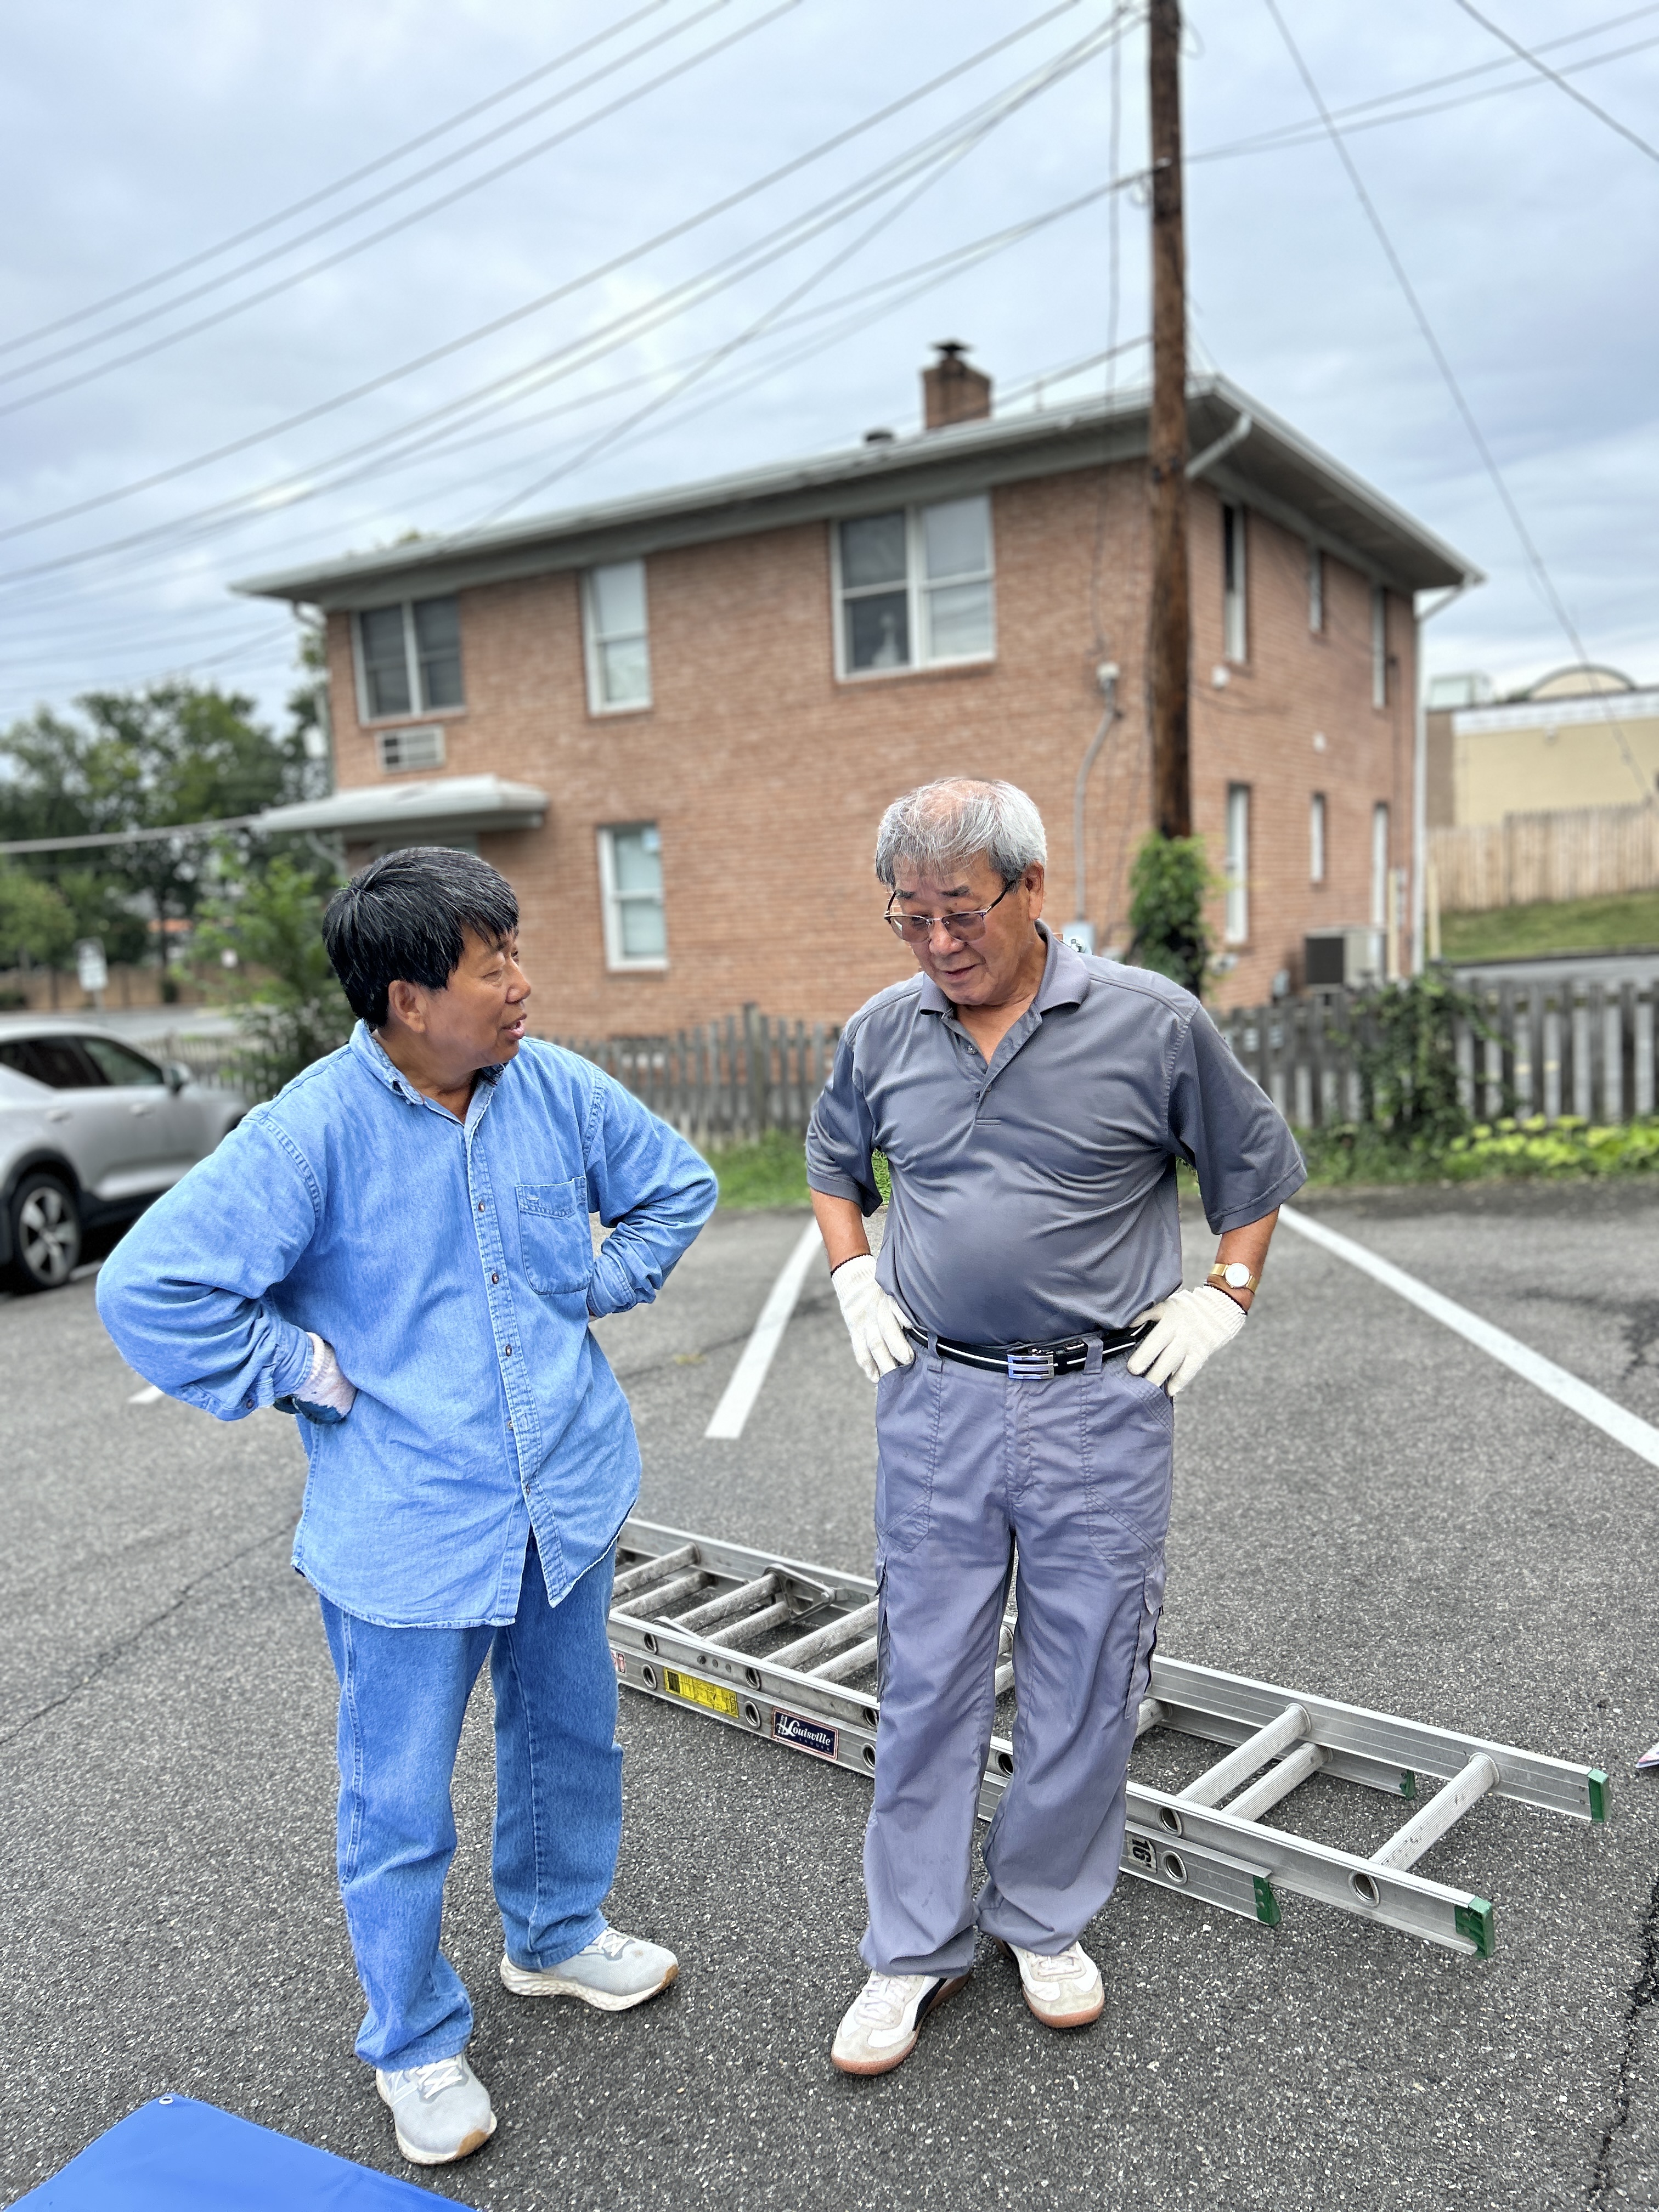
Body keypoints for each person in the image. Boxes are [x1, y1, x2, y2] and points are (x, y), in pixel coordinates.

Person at [97, 847, 717, 2167]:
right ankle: (415, 2041)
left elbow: (678, 1185)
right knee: (398, 1805)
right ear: (407, 999)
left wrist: (595, 1290)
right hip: (408, 1528)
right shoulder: (310, 1132)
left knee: (572, 1736)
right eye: (495, 966)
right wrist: (300, 1369)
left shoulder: (551, 1087)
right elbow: (149, 1289)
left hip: (566, 1493)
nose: (522, 985)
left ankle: (555, 1934)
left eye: (516, 954)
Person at [805, 778, 1305, 2076]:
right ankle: (911, 1946)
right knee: (926, 1676)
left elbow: (1252, 1173)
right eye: (908, 916)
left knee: (1087, 1673)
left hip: (1100, 1400)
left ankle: (1044, 1917)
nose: (936, 941)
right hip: (938, 1399)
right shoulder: (882, 1032)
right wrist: (853, 1274)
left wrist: (1225, 1294)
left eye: (960, 910)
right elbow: (833, 1165)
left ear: (1031, 888)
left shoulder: (1153, 1023)